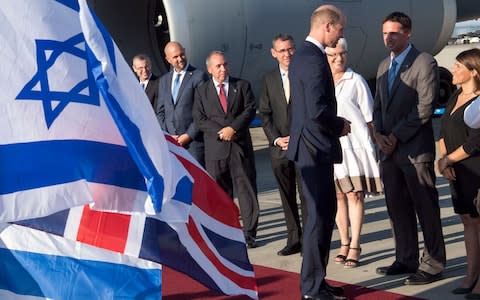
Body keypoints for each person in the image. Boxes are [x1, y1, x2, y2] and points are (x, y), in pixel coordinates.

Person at [373, 12, 446, 285]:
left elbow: (424, 107)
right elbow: (378, 106)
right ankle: (406, 257)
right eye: (384, 33)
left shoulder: (424, 62)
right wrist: (380, 136)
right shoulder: (383, 66)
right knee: (397, 207)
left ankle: (434, 263)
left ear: (408, 33)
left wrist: (394, 136)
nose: (387, 38)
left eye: (393, 33)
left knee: (425, 207)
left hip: (414, 151)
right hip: (389, 153)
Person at [286, 4, 350, 300]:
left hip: (310, 148)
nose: (341, 34)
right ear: (327, 26)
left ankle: (317, 282)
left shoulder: (304, 56)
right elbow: (315, 111)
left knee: (322, 217)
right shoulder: (311, 58)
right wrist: (340, 125)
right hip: (314, 150)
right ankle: (312, 288)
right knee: (318, 220)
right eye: (340, 29)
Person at [193, 51, 260, 248]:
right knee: (221, 195)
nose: (223, 69)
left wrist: (233, 128)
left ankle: (249, 234)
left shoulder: (242, 86)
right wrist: (222, 132)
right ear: (209, 69)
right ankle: (226, 231)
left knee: (246, 191)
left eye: (225, 65)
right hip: (216, 150)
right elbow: (199, 119)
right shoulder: (202, 91)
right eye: (218, 66)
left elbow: (249, 110)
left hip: (240, 148)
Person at [325, 38, 382, 269]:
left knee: (354, 195)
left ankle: (356, 244)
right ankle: (344, 242)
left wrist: (374, 148)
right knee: (338, 196)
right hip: (333, 148)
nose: (339, 59)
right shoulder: (322, 82)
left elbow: (369, 118)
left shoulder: (355, 80)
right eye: (334, 55)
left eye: (343, 54)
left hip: (355, 147)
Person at [437, 48, 480, 297]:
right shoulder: (455, 96)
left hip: (474, 169)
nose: (452, 70)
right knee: (468, 221)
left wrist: (447, 161)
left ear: (473, 72)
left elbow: (476, 142)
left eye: (458, 67)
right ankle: (471, 274)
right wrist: (444, 161)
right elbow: (443, 131)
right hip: (456, 170)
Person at [259, 33, 306, 256]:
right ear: (273, 53)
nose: (287, 54)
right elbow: (265, 113)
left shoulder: (305, 74)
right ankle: (294, 238)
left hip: (303, 145)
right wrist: (277, 138)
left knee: (306, 195)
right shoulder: (268, 79)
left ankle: (310, 240)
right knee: (287, 196)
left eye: (290, 49)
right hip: (280, 148)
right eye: (282, 50)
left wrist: (298, 137)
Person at [156, 41, 208, 166]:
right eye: (175, 57)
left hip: (193, 143)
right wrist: (168, 135)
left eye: (182, 54)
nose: (180, 59)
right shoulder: (164, 80)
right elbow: (161, 111)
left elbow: (203, 110)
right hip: (172, 144)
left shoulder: (198, 76)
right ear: (168, 59)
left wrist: (188, 135)